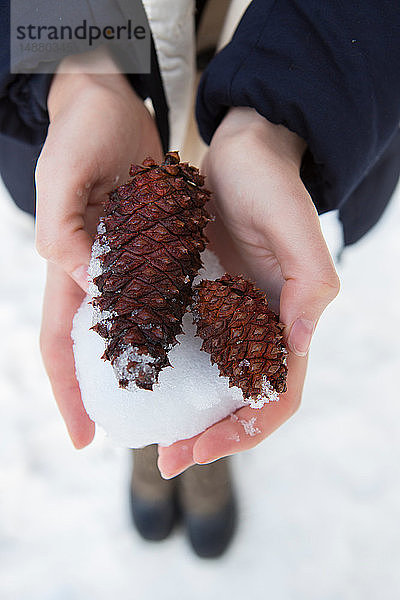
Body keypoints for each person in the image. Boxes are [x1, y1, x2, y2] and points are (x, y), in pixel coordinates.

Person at [0, 0, 399, 558]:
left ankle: (204, 431)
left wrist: (281, 119)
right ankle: (147, 425)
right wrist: (75, 68)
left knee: (258, 279)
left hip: (278, 82)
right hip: (115, 93)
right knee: (127, 305)